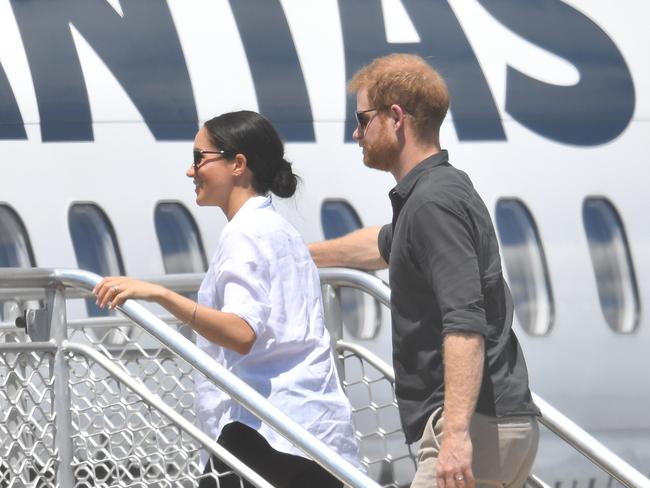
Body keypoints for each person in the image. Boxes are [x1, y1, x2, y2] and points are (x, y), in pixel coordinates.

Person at [309, 54, 540, 488]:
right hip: (492, 422)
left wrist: (454, 437)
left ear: (395, 118)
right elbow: (381, 244)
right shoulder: (433, 195)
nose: (356, 133)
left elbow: (465, 323)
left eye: (362, 119)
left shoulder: (433, 204)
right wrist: (298, 255)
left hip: (475, 426)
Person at [93, 110, 359, 488]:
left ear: (238, 164)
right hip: (312, 426)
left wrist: (161, 295)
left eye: (200, 158)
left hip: (263, 431)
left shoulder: (244, 233)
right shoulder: (280, 230)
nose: (190, 171)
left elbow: (241, 332)